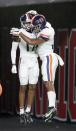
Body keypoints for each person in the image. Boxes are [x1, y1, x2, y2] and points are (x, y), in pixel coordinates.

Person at [11, 13, 64, 122]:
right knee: (47, 82)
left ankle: (52, 108)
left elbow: (32, 41)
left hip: (48, 58)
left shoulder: (47, 31)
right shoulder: (44, 25)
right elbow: (39, 20)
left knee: (47, 82)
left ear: (40, 26)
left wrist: (20, 32)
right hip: (41, 59)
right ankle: (51, 108)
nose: (33, 27)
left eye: (35, 26)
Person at [10, 10, 39, 124]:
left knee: (32, 87)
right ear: (22, 23)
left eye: (29, 22)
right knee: (23, 87)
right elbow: (13, 49)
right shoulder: (18, 32)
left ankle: (28, 111)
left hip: (34, 61)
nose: (28, 24)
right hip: (24, 61)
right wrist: (13, 64)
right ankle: (21, 112)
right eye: (26, 22)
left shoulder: (38, 30)